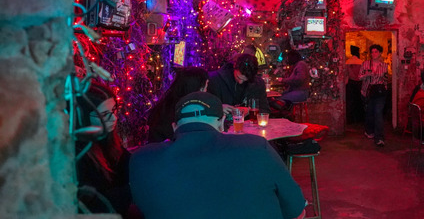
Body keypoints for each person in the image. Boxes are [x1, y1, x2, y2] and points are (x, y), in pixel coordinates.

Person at [130, 92, 306, 219]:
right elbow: (298, 211)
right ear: (222, 122)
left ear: (175, 127)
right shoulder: (256, 147)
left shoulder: (141, 159)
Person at [74, 80, 133, 216]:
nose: (114, 118)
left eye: (114, 110)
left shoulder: (107, 139)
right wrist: (132, 189)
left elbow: (128, 163)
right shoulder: (76, 153)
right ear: (83, 117)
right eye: (104, 114)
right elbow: (92, 206)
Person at [146, 67, 209, 143]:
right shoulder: (187, 113)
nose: (206, 91)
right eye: (206, 86)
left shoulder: (165, 106)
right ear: (198, 88)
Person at [359, 44, 389, 147]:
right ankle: (369, 131)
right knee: (369, 113)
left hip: (380, 92)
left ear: (380, 53)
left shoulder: (384, 65)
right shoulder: (366, 64)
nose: (373, 54)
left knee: (378, 113)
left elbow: (386, 79)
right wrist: (367, 75)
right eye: (372, 52)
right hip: (367, 91)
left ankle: (379, 138)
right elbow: (359, 77)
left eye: (376, 52)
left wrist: (385, 82)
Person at [345, 45, 364, 124]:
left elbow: (346, 74)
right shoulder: (361, 62)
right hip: (359, 83)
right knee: (359, 101)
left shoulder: (348, 62)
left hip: (351, 83)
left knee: (350, 101)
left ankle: (350, 119)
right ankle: (359, 119)